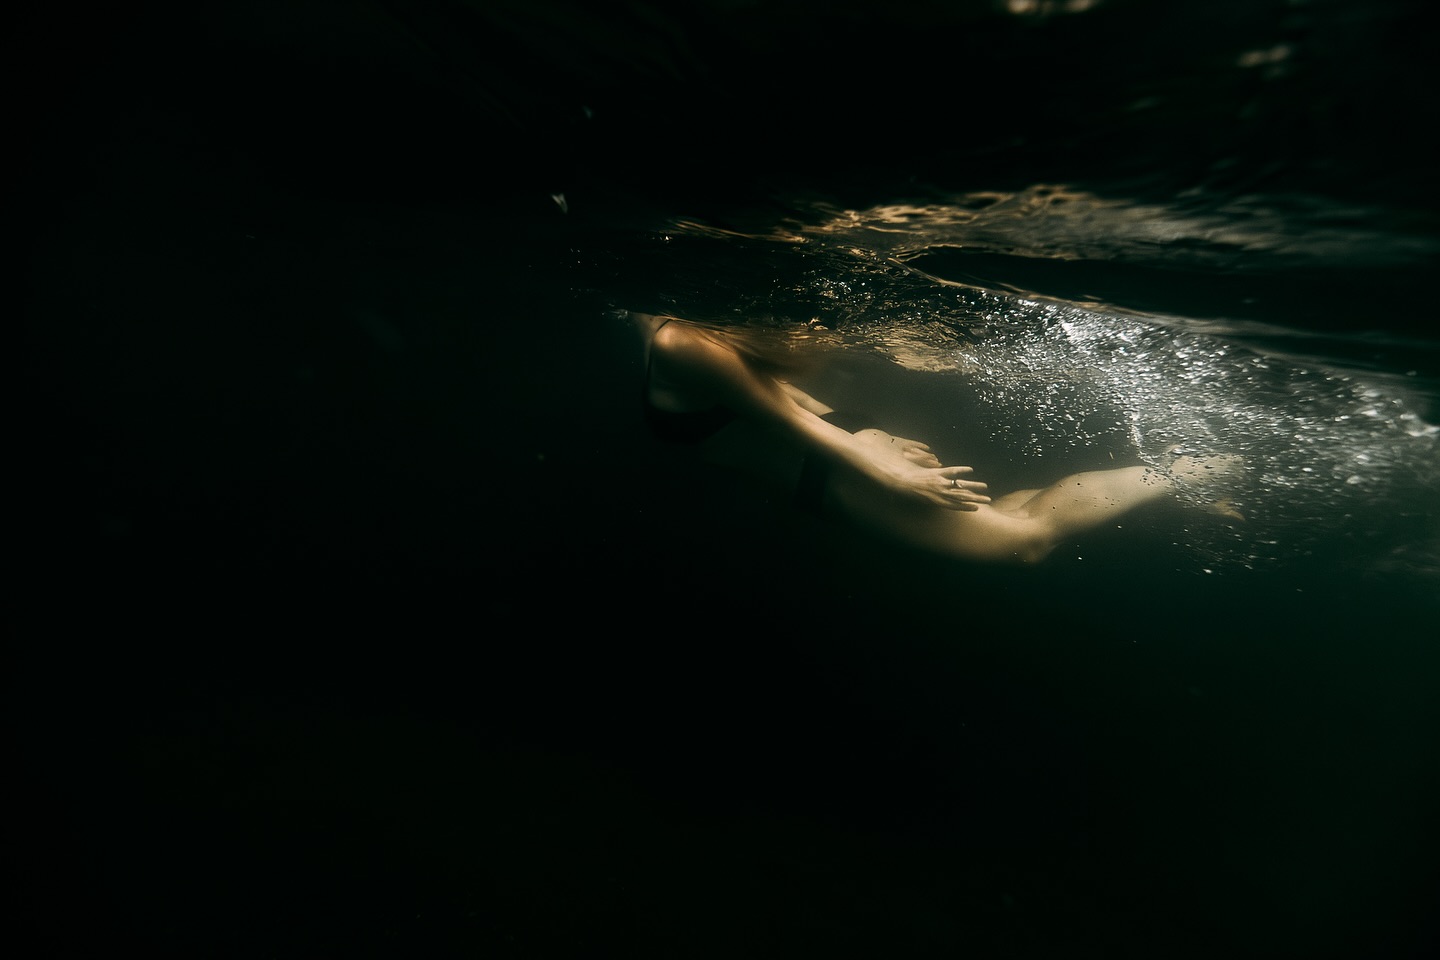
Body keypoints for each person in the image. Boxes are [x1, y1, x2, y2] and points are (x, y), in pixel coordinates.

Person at [634, 311, 1242, 565]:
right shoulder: (682, 334)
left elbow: (782, 416)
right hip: (837, 460)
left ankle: (1182, 473)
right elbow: (775, 408)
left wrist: (880, 462)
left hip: (832, 471)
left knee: (1022, 541)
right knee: (1011, 516)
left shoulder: (676, 336)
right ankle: (1162, 487)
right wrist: (878, 452)